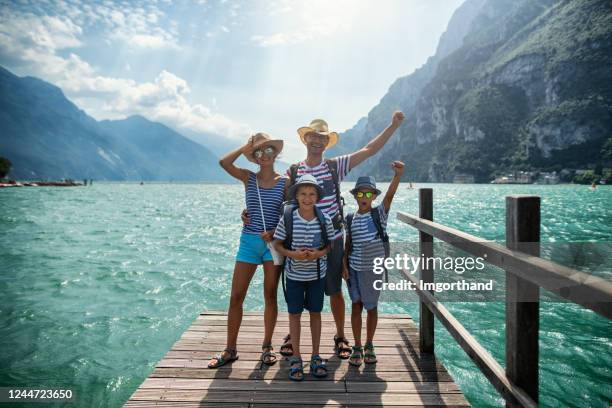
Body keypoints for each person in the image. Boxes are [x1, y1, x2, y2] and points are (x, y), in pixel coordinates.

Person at [244, 111, 405, 358]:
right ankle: (292, 335)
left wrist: (392, 125)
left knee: (334, 289)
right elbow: (276, 196)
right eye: (313, 137)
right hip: (298, 237)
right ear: (305, 139)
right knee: (297, 285)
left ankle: (340, 336)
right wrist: (250, 214)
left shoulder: (334, 166)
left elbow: (370, 149)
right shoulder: (293, 172)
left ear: (326, 142)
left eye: (322, 138)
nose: (317, 141)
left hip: (332, 237)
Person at [208, 133, 288, 368]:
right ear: (254, 157)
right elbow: (224, 163)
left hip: (272, 246)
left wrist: (275, 231)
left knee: (270, 296)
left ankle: (266, 347)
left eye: (269, 150)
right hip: (248, 243)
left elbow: (289, 214)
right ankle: (230, 349)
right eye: (259, 152)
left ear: (276, 153)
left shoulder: (284, 182)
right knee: (236, 297)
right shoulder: (248, 178)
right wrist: (246, 146)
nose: (264, 155)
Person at [272, 174, 335, 381]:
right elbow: (277, 244)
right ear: (296, 196)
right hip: (294, 276)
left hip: (317, 274)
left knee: (316, 313)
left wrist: (318, 253)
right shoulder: (288, 218)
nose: (307, 198)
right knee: (294, 315)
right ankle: (297, 357)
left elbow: (330, 245)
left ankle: (316, 355)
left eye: (311, 194)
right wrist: (293, 254)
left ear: (317, 197)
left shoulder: (324, 218)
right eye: (303, 194)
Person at [343, 162, 404, 366]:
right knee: (355, 304)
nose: (364, 198)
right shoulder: (350, 218)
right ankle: (357, 346)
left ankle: (369, 343)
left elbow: (390, 196)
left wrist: (397, 175)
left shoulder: (379, 215)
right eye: (361, 194)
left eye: (369, 195)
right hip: (353, 268)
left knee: (371, 307)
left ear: (374, 197)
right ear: (355, 196)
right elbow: (348, 243)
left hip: (372, 269)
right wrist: (344, 265)